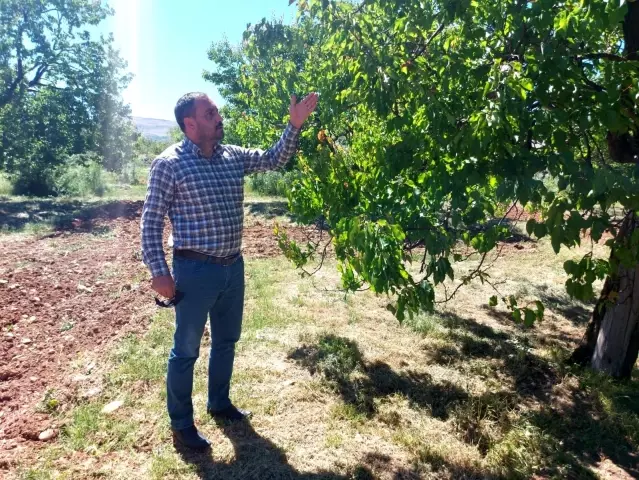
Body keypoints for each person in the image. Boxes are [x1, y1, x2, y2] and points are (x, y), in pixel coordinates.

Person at [140, 91, 318, 450]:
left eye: (216, 110)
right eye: (210, 113)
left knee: (226, 341)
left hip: (232, 267)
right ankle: (181, 424)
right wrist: (159, 272)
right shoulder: (168, 164)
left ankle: (219, 404)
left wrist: (294, 125)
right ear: (190, 124)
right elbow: (150, 221)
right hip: (193, 271)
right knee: (186, 350)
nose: (218, 117)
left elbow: (273, 159)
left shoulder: (232, 156)